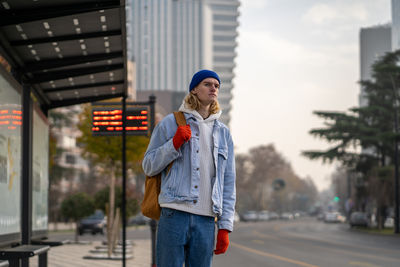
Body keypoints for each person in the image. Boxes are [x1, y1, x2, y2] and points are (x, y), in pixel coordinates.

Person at [142, 69, 236, 267]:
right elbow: (148, 166)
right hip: (174, 213)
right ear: (194, 89)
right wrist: (173, 144)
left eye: (217, 86)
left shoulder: (223, 133)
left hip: (207, 220)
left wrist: (225, 226)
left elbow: (228, 182)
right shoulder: (170, 123)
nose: (213, 88)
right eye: (207, 84)